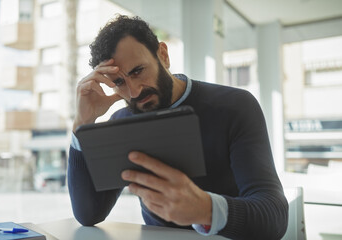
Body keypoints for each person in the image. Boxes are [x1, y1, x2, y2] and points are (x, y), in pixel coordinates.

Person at [68, 15, 288, 240]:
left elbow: (275, 218)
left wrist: (206, 210)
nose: (134, 92)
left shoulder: (235, 106)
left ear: (163, 55)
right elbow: (89, 214)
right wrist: (82, 124)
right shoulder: (122, 122)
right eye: (119, 83)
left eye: (138, 71)